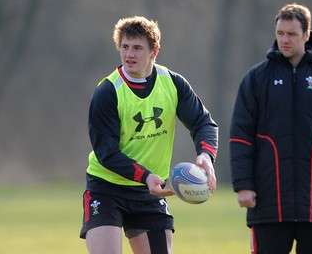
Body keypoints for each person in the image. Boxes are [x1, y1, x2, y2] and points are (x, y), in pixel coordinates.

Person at [80, 16, 218, 254]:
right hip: (107, 188)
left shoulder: (173, 84)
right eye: (124, 47)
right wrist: (145, 176)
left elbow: (203, 122)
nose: (129, 54)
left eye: (137, 48)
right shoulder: (107, 92)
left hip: (149, 192)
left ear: (154, 51)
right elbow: (107, 152)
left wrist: (206, 155)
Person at [229, 3, 312, 254]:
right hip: (268, 204)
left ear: (307, 35)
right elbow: (240, 137)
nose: (284, 40)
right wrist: (243, 185)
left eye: (292, 34)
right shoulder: (256, 78)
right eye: (280, 33)